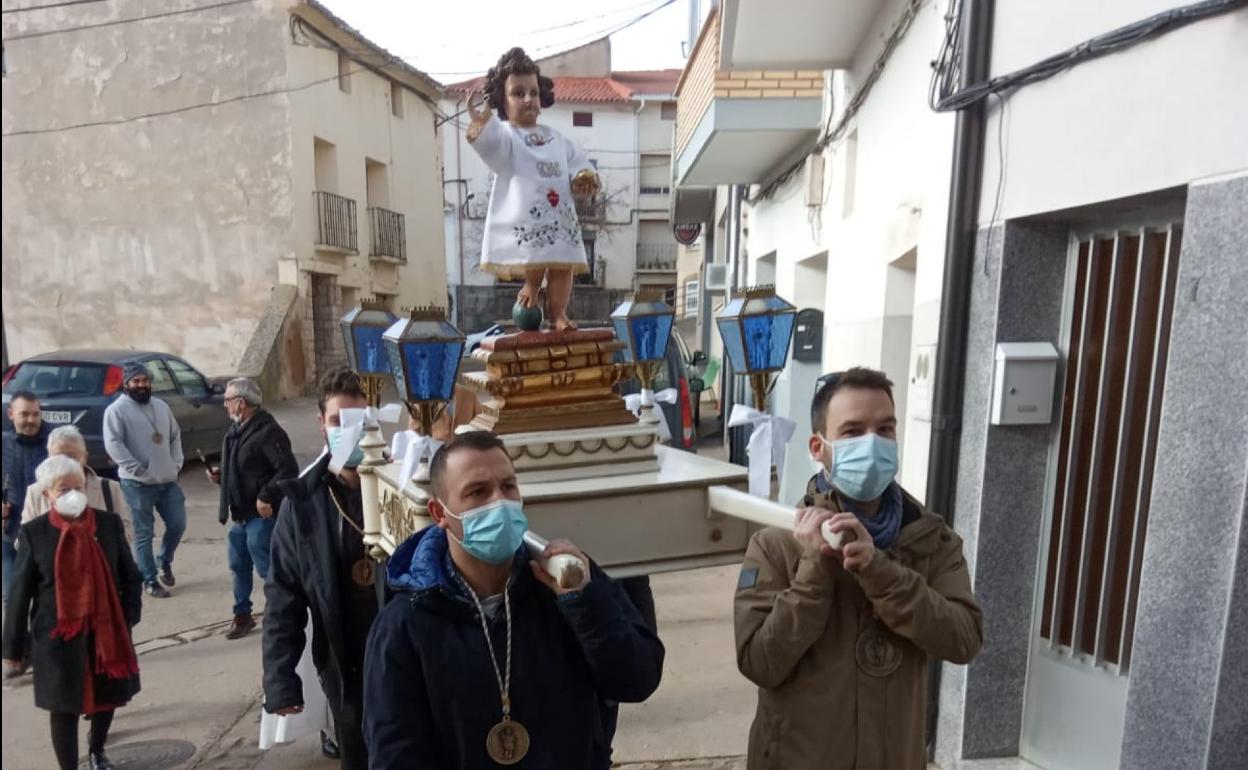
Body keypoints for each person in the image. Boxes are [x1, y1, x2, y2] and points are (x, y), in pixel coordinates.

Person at [363, 430, 665, 769]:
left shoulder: (566, 584)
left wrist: (587, 604)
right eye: (478, 492)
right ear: (439, 512)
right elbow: (395, 754)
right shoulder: (405, 626)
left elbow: (639, 679)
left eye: (508, 487)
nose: (500, 502)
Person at [734, 367, 983, 770]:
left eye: (885, 429)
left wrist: (879, 571)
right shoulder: (776, 544)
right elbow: (760, 662)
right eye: (852, 431)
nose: (872, 443)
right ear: (819, 447)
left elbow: (963, 640)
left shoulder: (931, 540)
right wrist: (815, 567)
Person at [262, 367, 378, 770]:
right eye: (337, 421)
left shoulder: (400, 484)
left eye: (359, 420)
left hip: (402, 654)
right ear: (321, 423)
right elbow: (283, 594)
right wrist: (280, 678)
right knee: (358, 753)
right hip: (343, 660)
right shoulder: (304, 502)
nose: (350, 431)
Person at [3, 455, 142, 770]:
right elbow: (19, 593)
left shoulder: (107, 524)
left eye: (78, 487)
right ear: (47, 494)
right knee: (63, 708)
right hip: (57, 638)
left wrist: (127, 616)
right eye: (64, 489)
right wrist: (13, 647)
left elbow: (130, 575)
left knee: (107, 698)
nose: (73, 494)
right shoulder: (34, 533)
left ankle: (97, 752)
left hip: (105, 633)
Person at [467, 46, 601, 331]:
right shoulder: (507, 136)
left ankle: (558, 313)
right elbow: (493, 150)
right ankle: (532, 285)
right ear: (502, 100)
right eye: (518, 93)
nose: (528, 99)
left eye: (533, 92)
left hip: (561, 216)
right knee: (535, 252)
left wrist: (583, 176)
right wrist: (483, 124)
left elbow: (576, 160)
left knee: (563, 265)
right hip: (530, 213)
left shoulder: (556, 138)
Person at [207, 377, 298, 640]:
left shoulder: (268, 431)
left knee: (268, 568)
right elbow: (243, 468)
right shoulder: (236, 432)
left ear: (240, 403)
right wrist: (222, 476)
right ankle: (242, 615)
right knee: (238, 565)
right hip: (241, 515)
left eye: (227, 400)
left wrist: (266, 496)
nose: (225, 405)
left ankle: (281, 613)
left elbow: (288, 470)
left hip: (261, 516)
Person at [103, 363, 186, 598]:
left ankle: (164, 560)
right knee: (143, 534)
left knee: (178, 524)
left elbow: (175, 436)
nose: (141, 385)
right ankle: (149, 580)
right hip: (136, 484)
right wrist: (137, 469)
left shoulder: (161, 406)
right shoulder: (116, 411)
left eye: (145, 380)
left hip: (167, 480)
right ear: (126, 384)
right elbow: (113, 444)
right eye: (136, 381)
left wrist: (176, 463)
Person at [22, 425, 133, 544]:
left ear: (85, 457)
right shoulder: (36, 492)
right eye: (59, 457)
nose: (66, 463)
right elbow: (24, 541)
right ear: (49, 458)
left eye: (73, 457)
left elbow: (127, 533)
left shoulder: (109, 488)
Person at [3, 390, 51, 605]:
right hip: (9, 533)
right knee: (14, 600)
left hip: (47, 533)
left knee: (47, 601)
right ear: (10, 414)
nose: (31, 420)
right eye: (24, 414)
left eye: (35, 414)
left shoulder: (55, 442)